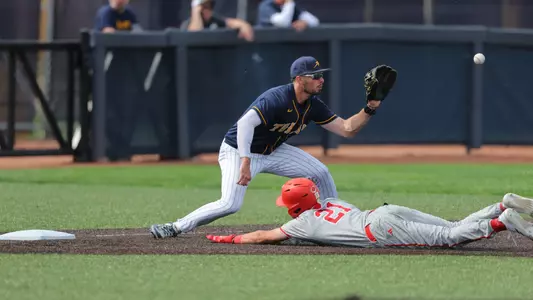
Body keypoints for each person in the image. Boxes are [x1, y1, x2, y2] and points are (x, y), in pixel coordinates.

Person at [149, 57, 396, 239]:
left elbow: (346, 129)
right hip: (238, 150)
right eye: (316, 76)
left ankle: (331, 223)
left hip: (272, 151)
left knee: (320, 172)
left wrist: (371, 107)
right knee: (230, 204)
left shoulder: (313, 104)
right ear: (300, 80)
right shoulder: (276, 98)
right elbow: (245, 124)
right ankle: (176, 226)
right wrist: (245, 160)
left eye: (322, 75)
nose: (322, 80)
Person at [205, 178, 533, 247]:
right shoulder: (332, 202)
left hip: (380, 231)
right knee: (453, 226)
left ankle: (501, 220)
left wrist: (229, 237)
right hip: (381, 212)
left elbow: (264, 236)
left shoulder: (303, 222)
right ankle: (501, 205)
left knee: (448, 238)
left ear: (295, 206)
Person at [181, 0, 254, 42]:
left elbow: (230, 22)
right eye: (204, 7)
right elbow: (194, 36)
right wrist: (196, 12)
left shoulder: (214, 20)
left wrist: (243, 25)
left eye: (210, 6)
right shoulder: (188, 24)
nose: (207, 10)